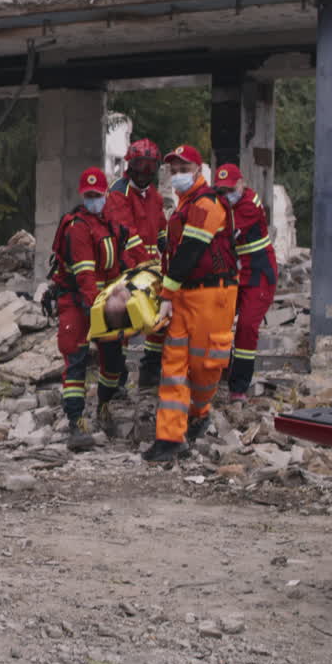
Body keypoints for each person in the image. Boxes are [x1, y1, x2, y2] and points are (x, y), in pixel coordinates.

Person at [142, 145, 238, 463]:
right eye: (174, 170)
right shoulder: (186, 204)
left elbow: (190, 251)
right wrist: (170, 293)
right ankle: (169, 439)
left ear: (199, 170)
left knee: (204, 366)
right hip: (185, 294)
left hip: (212, 296)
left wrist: (166, 295)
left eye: (184, 169)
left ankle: (199, 413)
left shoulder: (207, 204)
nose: (177, 175)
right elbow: (177, 254)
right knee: (173, 366)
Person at [48, 166, 128, 450]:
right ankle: (75, 422)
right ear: (83, 196)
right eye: (89, 195)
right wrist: (101, 309)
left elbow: (121, 261)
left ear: (106, 193)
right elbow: (85, 276)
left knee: (113, 359)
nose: (93, 199)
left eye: (97, 194)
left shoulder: (110, 224)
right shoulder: (78, 227)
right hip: (77, 299)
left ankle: (104, 406)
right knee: (76, 360)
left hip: (103, 299)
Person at [105, 138, 168, 388]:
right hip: (126, 268)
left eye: (151, 166)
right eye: (141, 165)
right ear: (130, 165)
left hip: (150, 268)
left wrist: (167, 249)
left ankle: (150, 370)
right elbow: (127, 235)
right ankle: (117, 380)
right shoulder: (118, 193)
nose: (145, 172)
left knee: (158, 320)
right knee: (122, 323)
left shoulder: (154, 196)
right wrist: (147, 267)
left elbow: (161, 228)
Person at [212, 164, 277, 402]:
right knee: (218, 321)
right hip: (235, 273)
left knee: (247, 327)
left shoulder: (249, 203)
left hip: (259, 274)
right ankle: (219, 372)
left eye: (231, 189)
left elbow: (224, 233)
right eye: (222, 191)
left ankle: (238, 387)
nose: (227, 195)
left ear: (242, 184)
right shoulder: (223, 204)